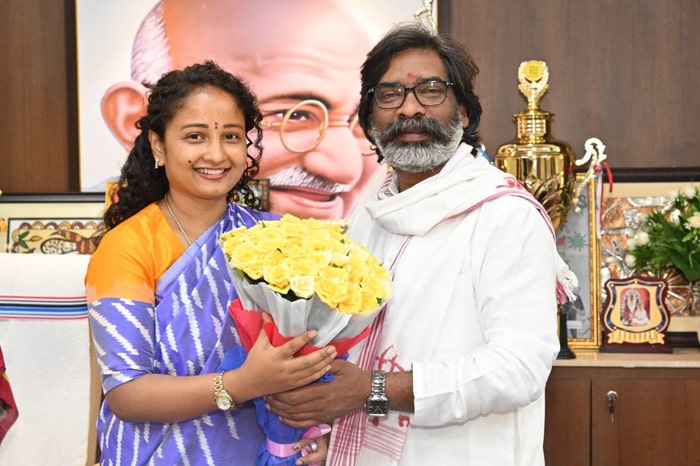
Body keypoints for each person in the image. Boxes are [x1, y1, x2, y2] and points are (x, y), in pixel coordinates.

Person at [265, 24, 572, 465]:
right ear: (370, 118)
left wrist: (372, 389)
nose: (409, 108)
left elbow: (517, 370)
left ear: (462, 111)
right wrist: (334, 433)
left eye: (430, 90)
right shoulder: (373, 211)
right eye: (389, 95)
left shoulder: (505, 215)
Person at [85, 61, 336, 465]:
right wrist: (242, 383)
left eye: (231, 136)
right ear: (158, 145)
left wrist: (314, 434)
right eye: (195, 136)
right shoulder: (128, 246)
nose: (216, 154)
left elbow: (309, 358)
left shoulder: (277, 238)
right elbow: (127, 395)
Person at [97, 0, 387, 220]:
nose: (345, 169)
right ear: (138, 122)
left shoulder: (370, 245)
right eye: (293, 115)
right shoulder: (138, 245)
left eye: (359, 121)